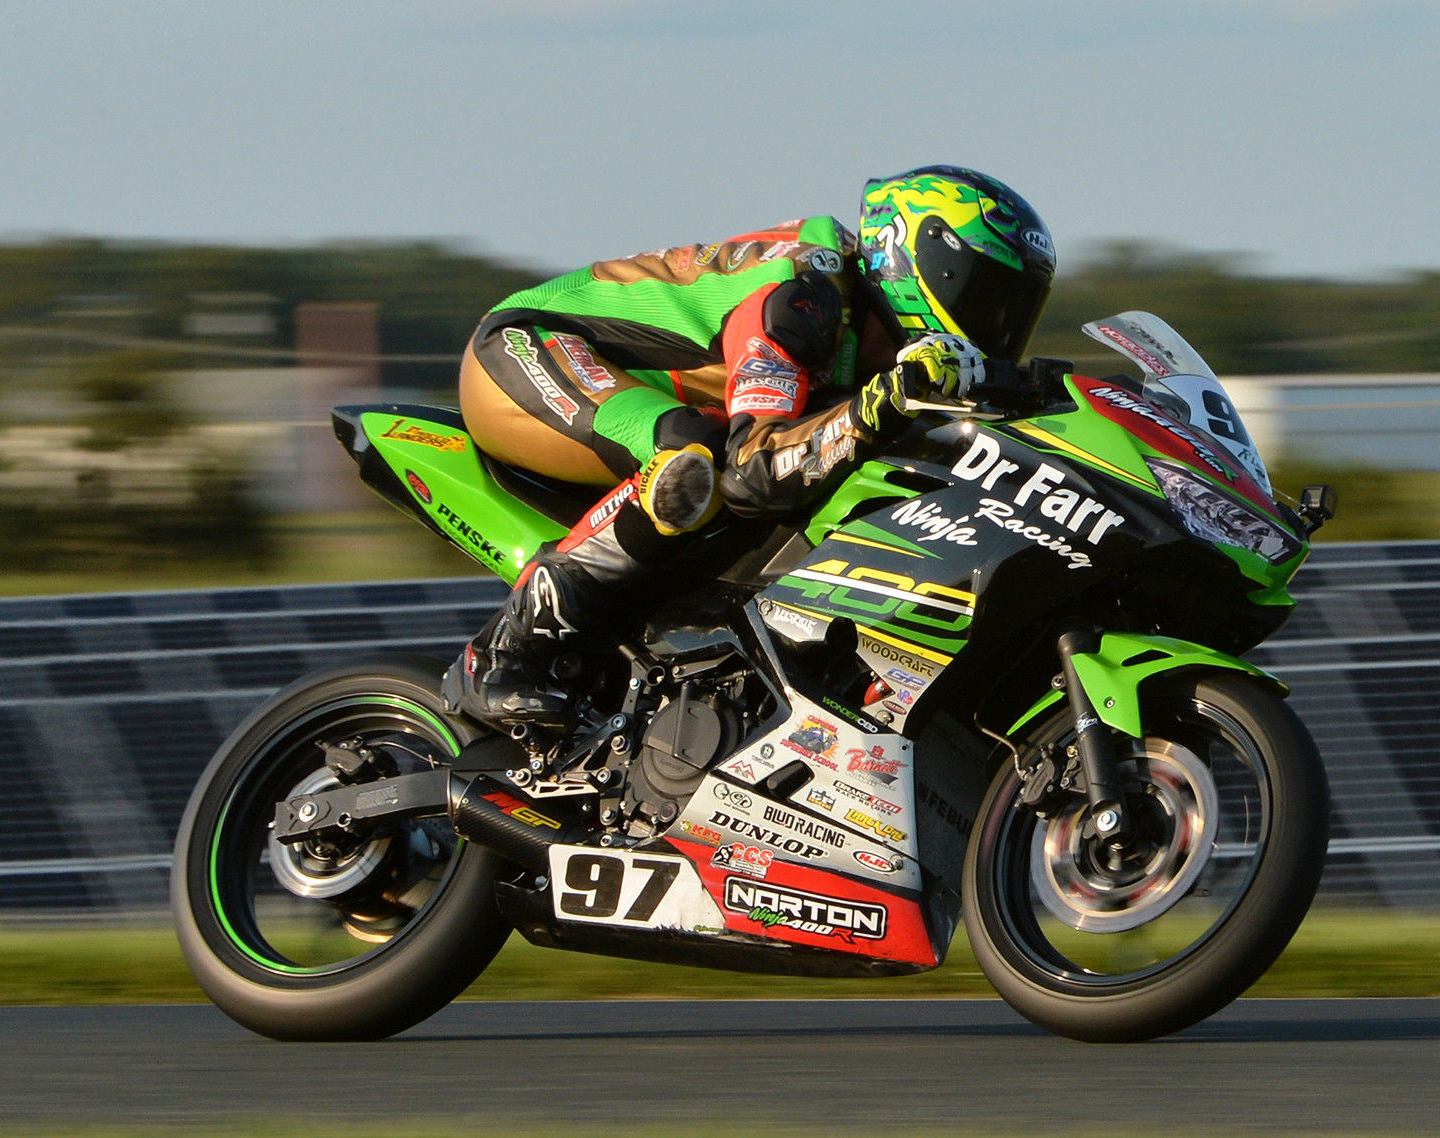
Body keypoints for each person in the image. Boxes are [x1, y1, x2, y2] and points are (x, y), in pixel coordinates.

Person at [452, 165, 1057, 727]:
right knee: (696, 457)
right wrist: (880, 404)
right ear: (919, 260)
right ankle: (511, 647)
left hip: (660, 392)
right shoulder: (803, 299)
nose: (996, 331)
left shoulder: (881, 340)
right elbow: (753, 470)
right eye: (986, 299)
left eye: (1015, 313)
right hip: (532, 350)